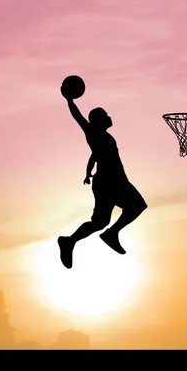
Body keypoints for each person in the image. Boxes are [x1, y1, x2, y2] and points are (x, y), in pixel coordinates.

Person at [58, 95, 148, 269]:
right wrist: (70, 100)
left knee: (100, 222)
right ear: (98, 121)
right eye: (106, 115)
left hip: (109, 182)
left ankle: (69, 241)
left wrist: (88, 172)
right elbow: (78, 117)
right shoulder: (93, 132)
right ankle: (111, 234)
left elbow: (95, 155)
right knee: (137, 205)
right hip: (111, 182)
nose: (109, 117)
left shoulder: (105, 138)